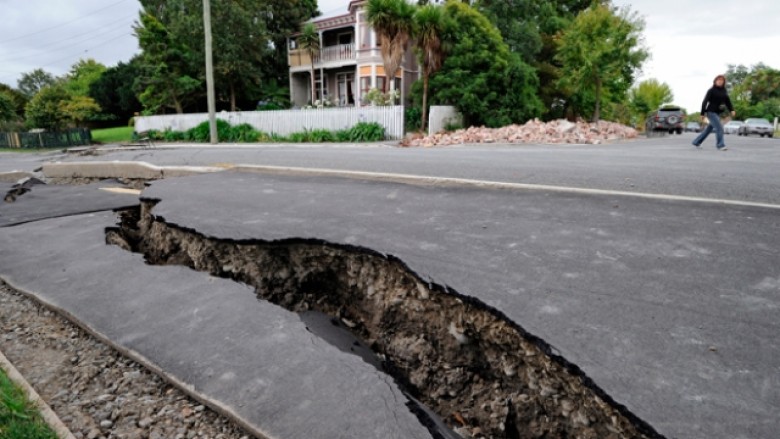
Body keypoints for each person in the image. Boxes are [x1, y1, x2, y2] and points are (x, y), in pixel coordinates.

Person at [692, 74, 736, 151]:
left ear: (724, 82)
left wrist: (731, 110)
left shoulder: (724, 91)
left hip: (718, 113)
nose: (720, 81)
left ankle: (697, 142)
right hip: (710, 112)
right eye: (718, 80)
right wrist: (702, 113)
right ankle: (720, 145)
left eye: (722, 80)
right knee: (720, 128)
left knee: (708, 130)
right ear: (715, 81)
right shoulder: (711, 90)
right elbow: (704, 102)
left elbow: (727, 101)